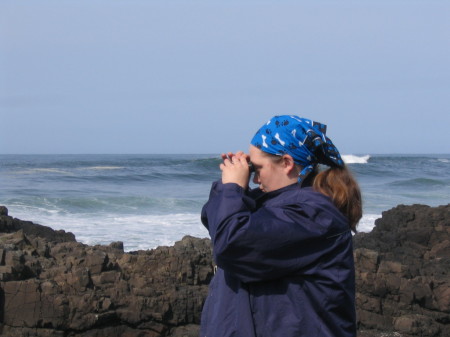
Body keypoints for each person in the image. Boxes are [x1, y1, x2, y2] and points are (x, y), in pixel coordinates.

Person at [200, 115, 362, 337]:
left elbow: (233, 245)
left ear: (287, 163)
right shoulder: (273, 204)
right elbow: (217, 224)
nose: (255, 179)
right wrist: (234, 189)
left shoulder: (314, 215)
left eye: (257, 169)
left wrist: (232, 190)